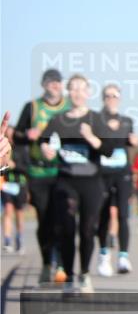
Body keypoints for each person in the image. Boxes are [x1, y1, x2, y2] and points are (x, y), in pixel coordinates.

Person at [39, 74, 114, 294]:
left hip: (91, 181)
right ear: (67, 92)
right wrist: (46, 149)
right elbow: (44, 140)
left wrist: (92, 139)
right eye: (73, 89)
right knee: (67, 228)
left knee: (87, 230)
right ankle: (70, 277)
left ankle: (84, 274)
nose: (78, 93)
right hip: (66, 180)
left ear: (88, 93)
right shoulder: (59, 120)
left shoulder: (95, 119)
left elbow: (109, 149)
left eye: (82, 89)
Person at [13, 70, 71, 283]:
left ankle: (63, 265)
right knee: (45, 220)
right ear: (43, 85)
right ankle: (47, 263)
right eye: (50, 82)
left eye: (58, 82)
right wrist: (27, 135)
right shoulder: (32, 107)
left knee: (64, 219)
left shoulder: (70, 106)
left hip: (64, 171)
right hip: (38, 172)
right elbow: (16, 135)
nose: (55, 86)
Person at [95, 84, 138, 275]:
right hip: (102, 172)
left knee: (123, 215)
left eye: (115, 95)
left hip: (122, 173)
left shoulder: (127, 120)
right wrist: (109, 130)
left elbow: (129, 140)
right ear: (103, 98)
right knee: (103, 215)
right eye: (108, 95)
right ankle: (104, 256)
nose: (111, 98)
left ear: (120, 98)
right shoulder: (95, 120)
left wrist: (133, 140)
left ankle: (123, 257)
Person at [2, 150, 28, 254]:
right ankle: (7, 240)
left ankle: (19, 238)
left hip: (20, 185)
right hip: (7, 185)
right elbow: (1, 171)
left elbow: (27, 168)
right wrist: (4, 165)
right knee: (8, 210)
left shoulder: (23, 148)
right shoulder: (3, 147)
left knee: (19, 213)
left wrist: (15, 165)